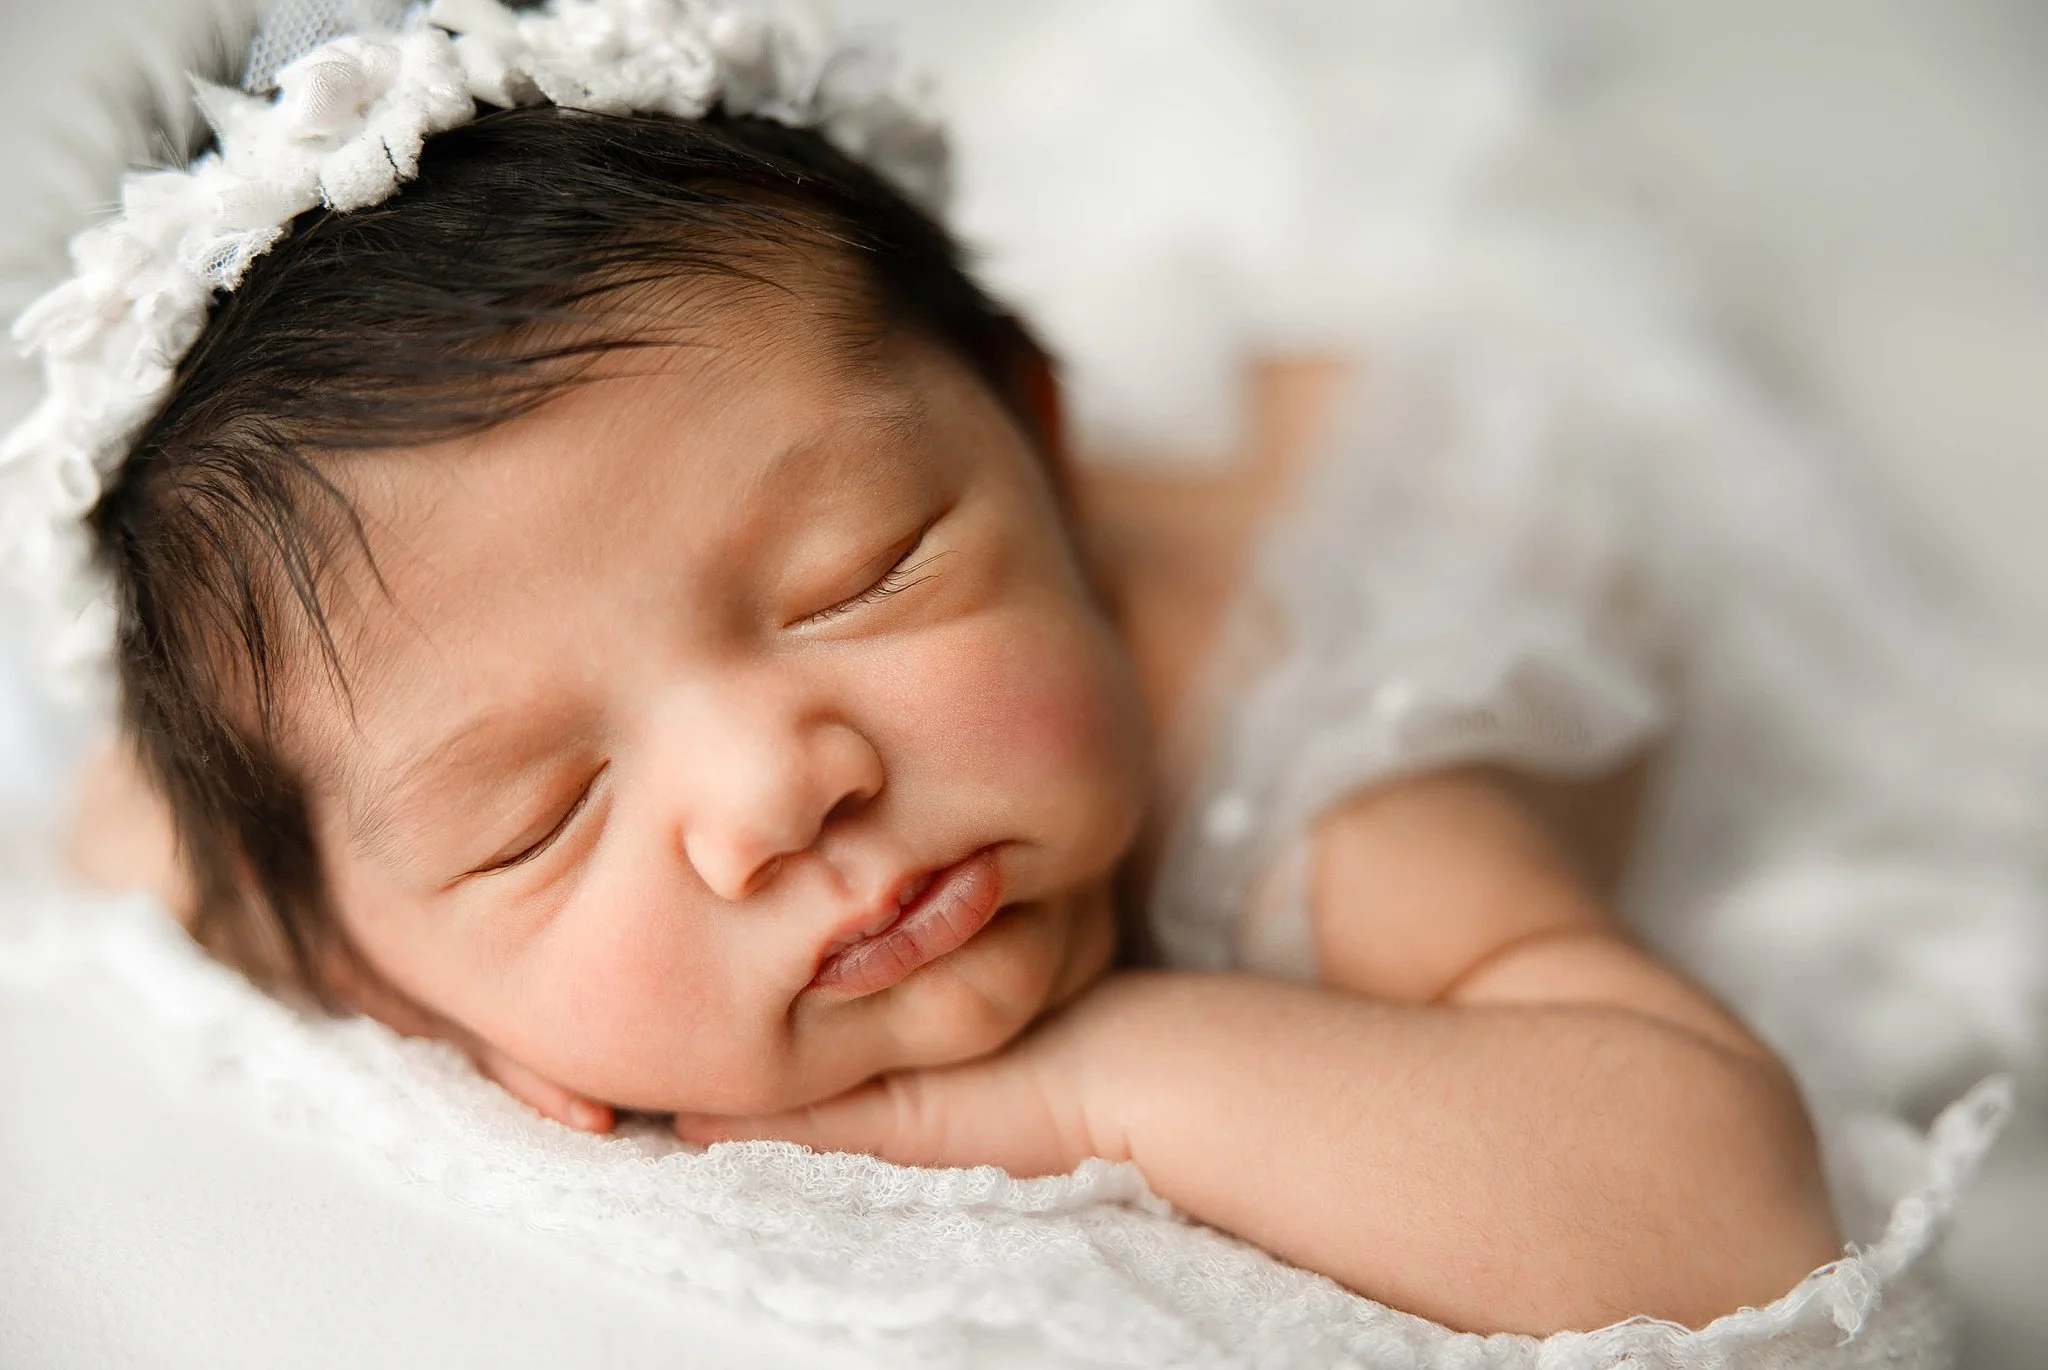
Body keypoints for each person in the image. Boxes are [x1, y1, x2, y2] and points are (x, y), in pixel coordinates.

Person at [29, 0, 1842, 1338]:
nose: (774, 787)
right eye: (540, 813)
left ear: (1043, 459)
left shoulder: (1316, 753)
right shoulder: (320, 838)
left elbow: (1718, 1210)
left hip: (1438, 448)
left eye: (862, 577)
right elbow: (158, 833)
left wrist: (1088, 1086)